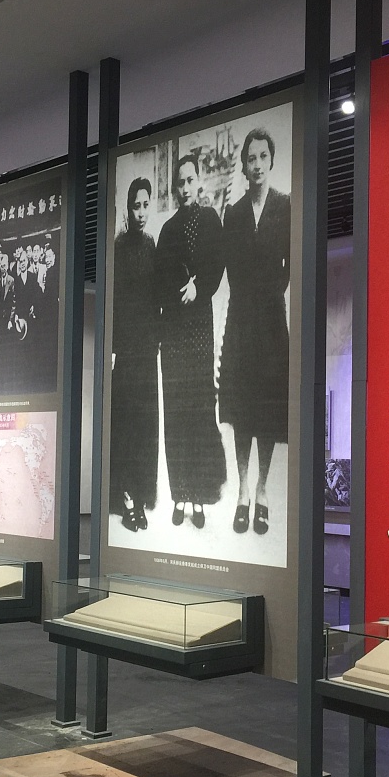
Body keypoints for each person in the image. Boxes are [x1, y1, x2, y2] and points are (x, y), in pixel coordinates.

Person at [219, 127, 290, 535]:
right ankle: (243, 491)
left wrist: (269, 295)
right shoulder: (234, 213)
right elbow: (231, 270)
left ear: (271, 161)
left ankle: (262, 490)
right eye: (251, 158)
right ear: (244, 167)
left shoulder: (286, 206)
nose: (257, 164)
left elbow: (289, 266)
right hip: (241, 322)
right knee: (242, 410)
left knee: (267, 410)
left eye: (263, 156)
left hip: (272, 321)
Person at [155, 153, 226, 527]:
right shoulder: (167, 231)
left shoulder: (211, 220)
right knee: (176, 410)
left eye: (189, 180)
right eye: (179, 183)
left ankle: (199, 496)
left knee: (199, 408)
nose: (184, 188)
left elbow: (217, 264)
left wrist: (199, 288)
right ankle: (180, 494)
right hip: (173, 329)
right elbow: (159, 277)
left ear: (199, 182)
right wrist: (176, 292)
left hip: (199, 325)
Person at [110, 177, 161, 531]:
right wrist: (114, 348)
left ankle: (142, 497)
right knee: (126, 424)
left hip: (146, 348)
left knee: (145, 425)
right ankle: (128, 499)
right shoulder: (117, 247)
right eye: (135, 206)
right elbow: (114, 303)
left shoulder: (151, 243)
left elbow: (155, 298)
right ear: (128, 209)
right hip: (125, 349)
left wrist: (155, 339)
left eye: (145, 205)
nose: (141, 212)